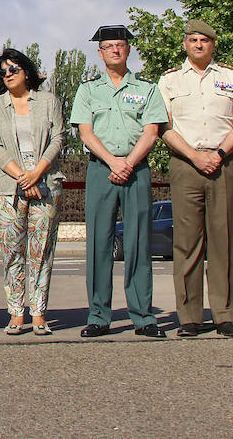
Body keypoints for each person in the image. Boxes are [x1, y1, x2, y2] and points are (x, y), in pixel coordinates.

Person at [70, 24, 168, 338]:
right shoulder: (88, 89)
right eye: (109, 46)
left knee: (138, 241)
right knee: (99, 243)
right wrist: (113, 162)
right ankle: (99, 315)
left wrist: (128, 163)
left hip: (136, 168)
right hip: (101, 168)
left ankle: (143, 316)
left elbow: (151, 131)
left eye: (120, 45)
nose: (115, 50)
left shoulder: (147, 88)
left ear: (128, 50)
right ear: (100, 53)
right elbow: (85, 132)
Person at [157, 20, 233, 337]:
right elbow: (164, 127)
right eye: (193, 40)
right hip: (186, 162)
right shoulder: (169, 80)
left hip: (223, 161)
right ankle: (190, 316)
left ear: (213, 45)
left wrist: (220, 155)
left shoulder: (231, 77)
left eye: (205, 40)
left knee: (224, 239)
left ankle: (226, 314)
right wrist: (196, 156)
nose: (199, 45)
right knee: (187, 242)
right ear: (185, 44)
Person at [0, 47, 65, 336]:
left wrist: (37, 173)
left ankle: (39, 312)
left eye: (12, 69)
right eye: (2, 71)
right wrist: (21, 177)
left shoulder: (48, 101)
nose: (7, 74)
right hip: (9, 188)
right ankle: (17, 313)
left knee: (42, 252)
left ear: (26, 72)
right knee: (12, 253)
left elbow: (58, 137)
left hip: (46, 183)